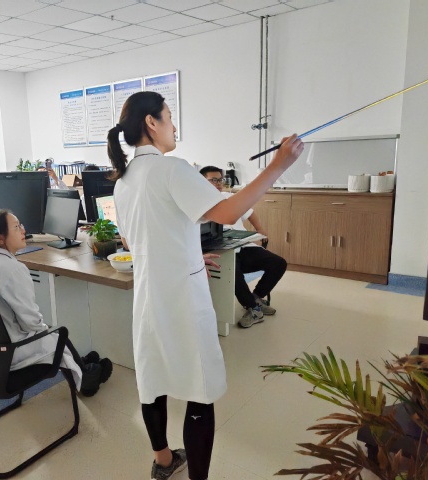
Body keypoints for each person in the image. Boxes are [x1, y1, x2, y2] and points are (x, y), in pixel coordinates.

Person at [107, 91, 303, 480]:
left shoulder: (123, 182)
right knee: (200, 391)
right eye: (169, 117)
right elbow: (228, 212)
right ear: (151, 123)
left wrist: (188, 255)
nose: (173, 125)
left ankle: (164, 462)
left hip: (148, 299)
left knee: (153, 380)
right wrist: (278, 165)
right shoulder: (172, 169)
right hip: (182, 300)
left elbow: (136, 239)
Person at [0, 209, 112, 396]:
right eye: (16, 227)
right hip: (11, 351)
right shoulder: (13, 269)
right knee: (56, 336)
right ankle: (87, 382)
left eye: (21, 225)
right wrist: (45, 329)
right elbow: (31, 323)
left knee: (54, 337)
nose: (23, 230)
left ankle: (80, 364)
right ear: (0, 238)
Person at [200, 166, 288, 328]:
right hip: (221, 250)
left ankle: (256, 298)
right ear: (201, 182)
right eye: (213, 180)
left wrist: (260, 229)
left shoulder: (228, 197)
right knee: (232, 270)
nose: (218, 183)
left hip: (244, 245)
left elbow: (249, 213)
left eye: (220, 180)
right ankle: (253, 308)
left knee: (278, 263)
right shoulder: (198, 203)